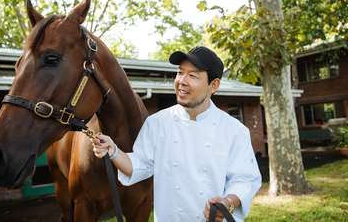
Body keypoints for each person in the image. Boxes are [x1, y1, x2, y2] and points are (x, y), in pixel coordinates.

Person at [91, 46, 262, 222]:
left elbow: (244, 180)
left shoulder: (234, 130)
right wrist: (113, 151)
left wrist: (228, 203)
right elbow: (139, 164)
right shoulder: (157, 123)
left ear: (213, 85)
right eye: (180, 73)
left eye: (193, 75)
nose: (182, 81)